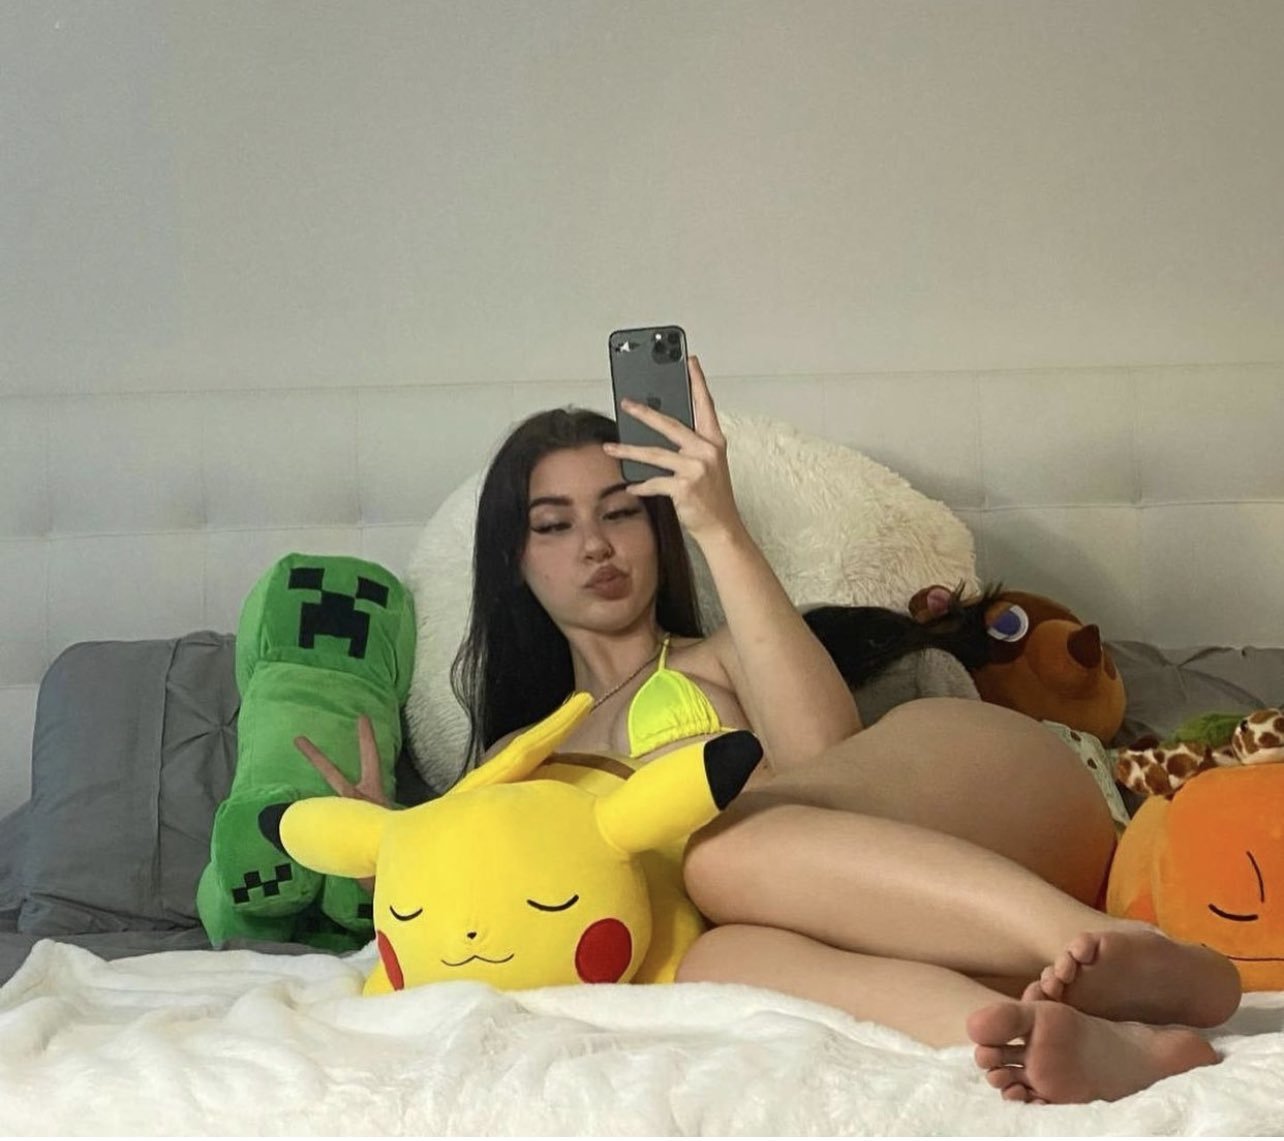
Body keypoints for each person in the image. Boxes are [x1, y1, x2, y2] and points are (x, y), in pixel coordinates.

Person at [299, 356, 1241, 1105]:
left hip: (980, 784)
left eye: (622, 511)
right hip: (867, 916)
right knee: (714, 962)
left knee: (716, 850)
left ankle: (1111, 946)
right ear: (513, 558)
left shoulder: (716, 655)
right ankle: (1077, 1040)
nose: (594, 544)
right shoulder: (518, 755)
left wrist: (720, 525)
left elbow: (828, 751)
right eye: (554, 525)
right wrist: (393, 850)